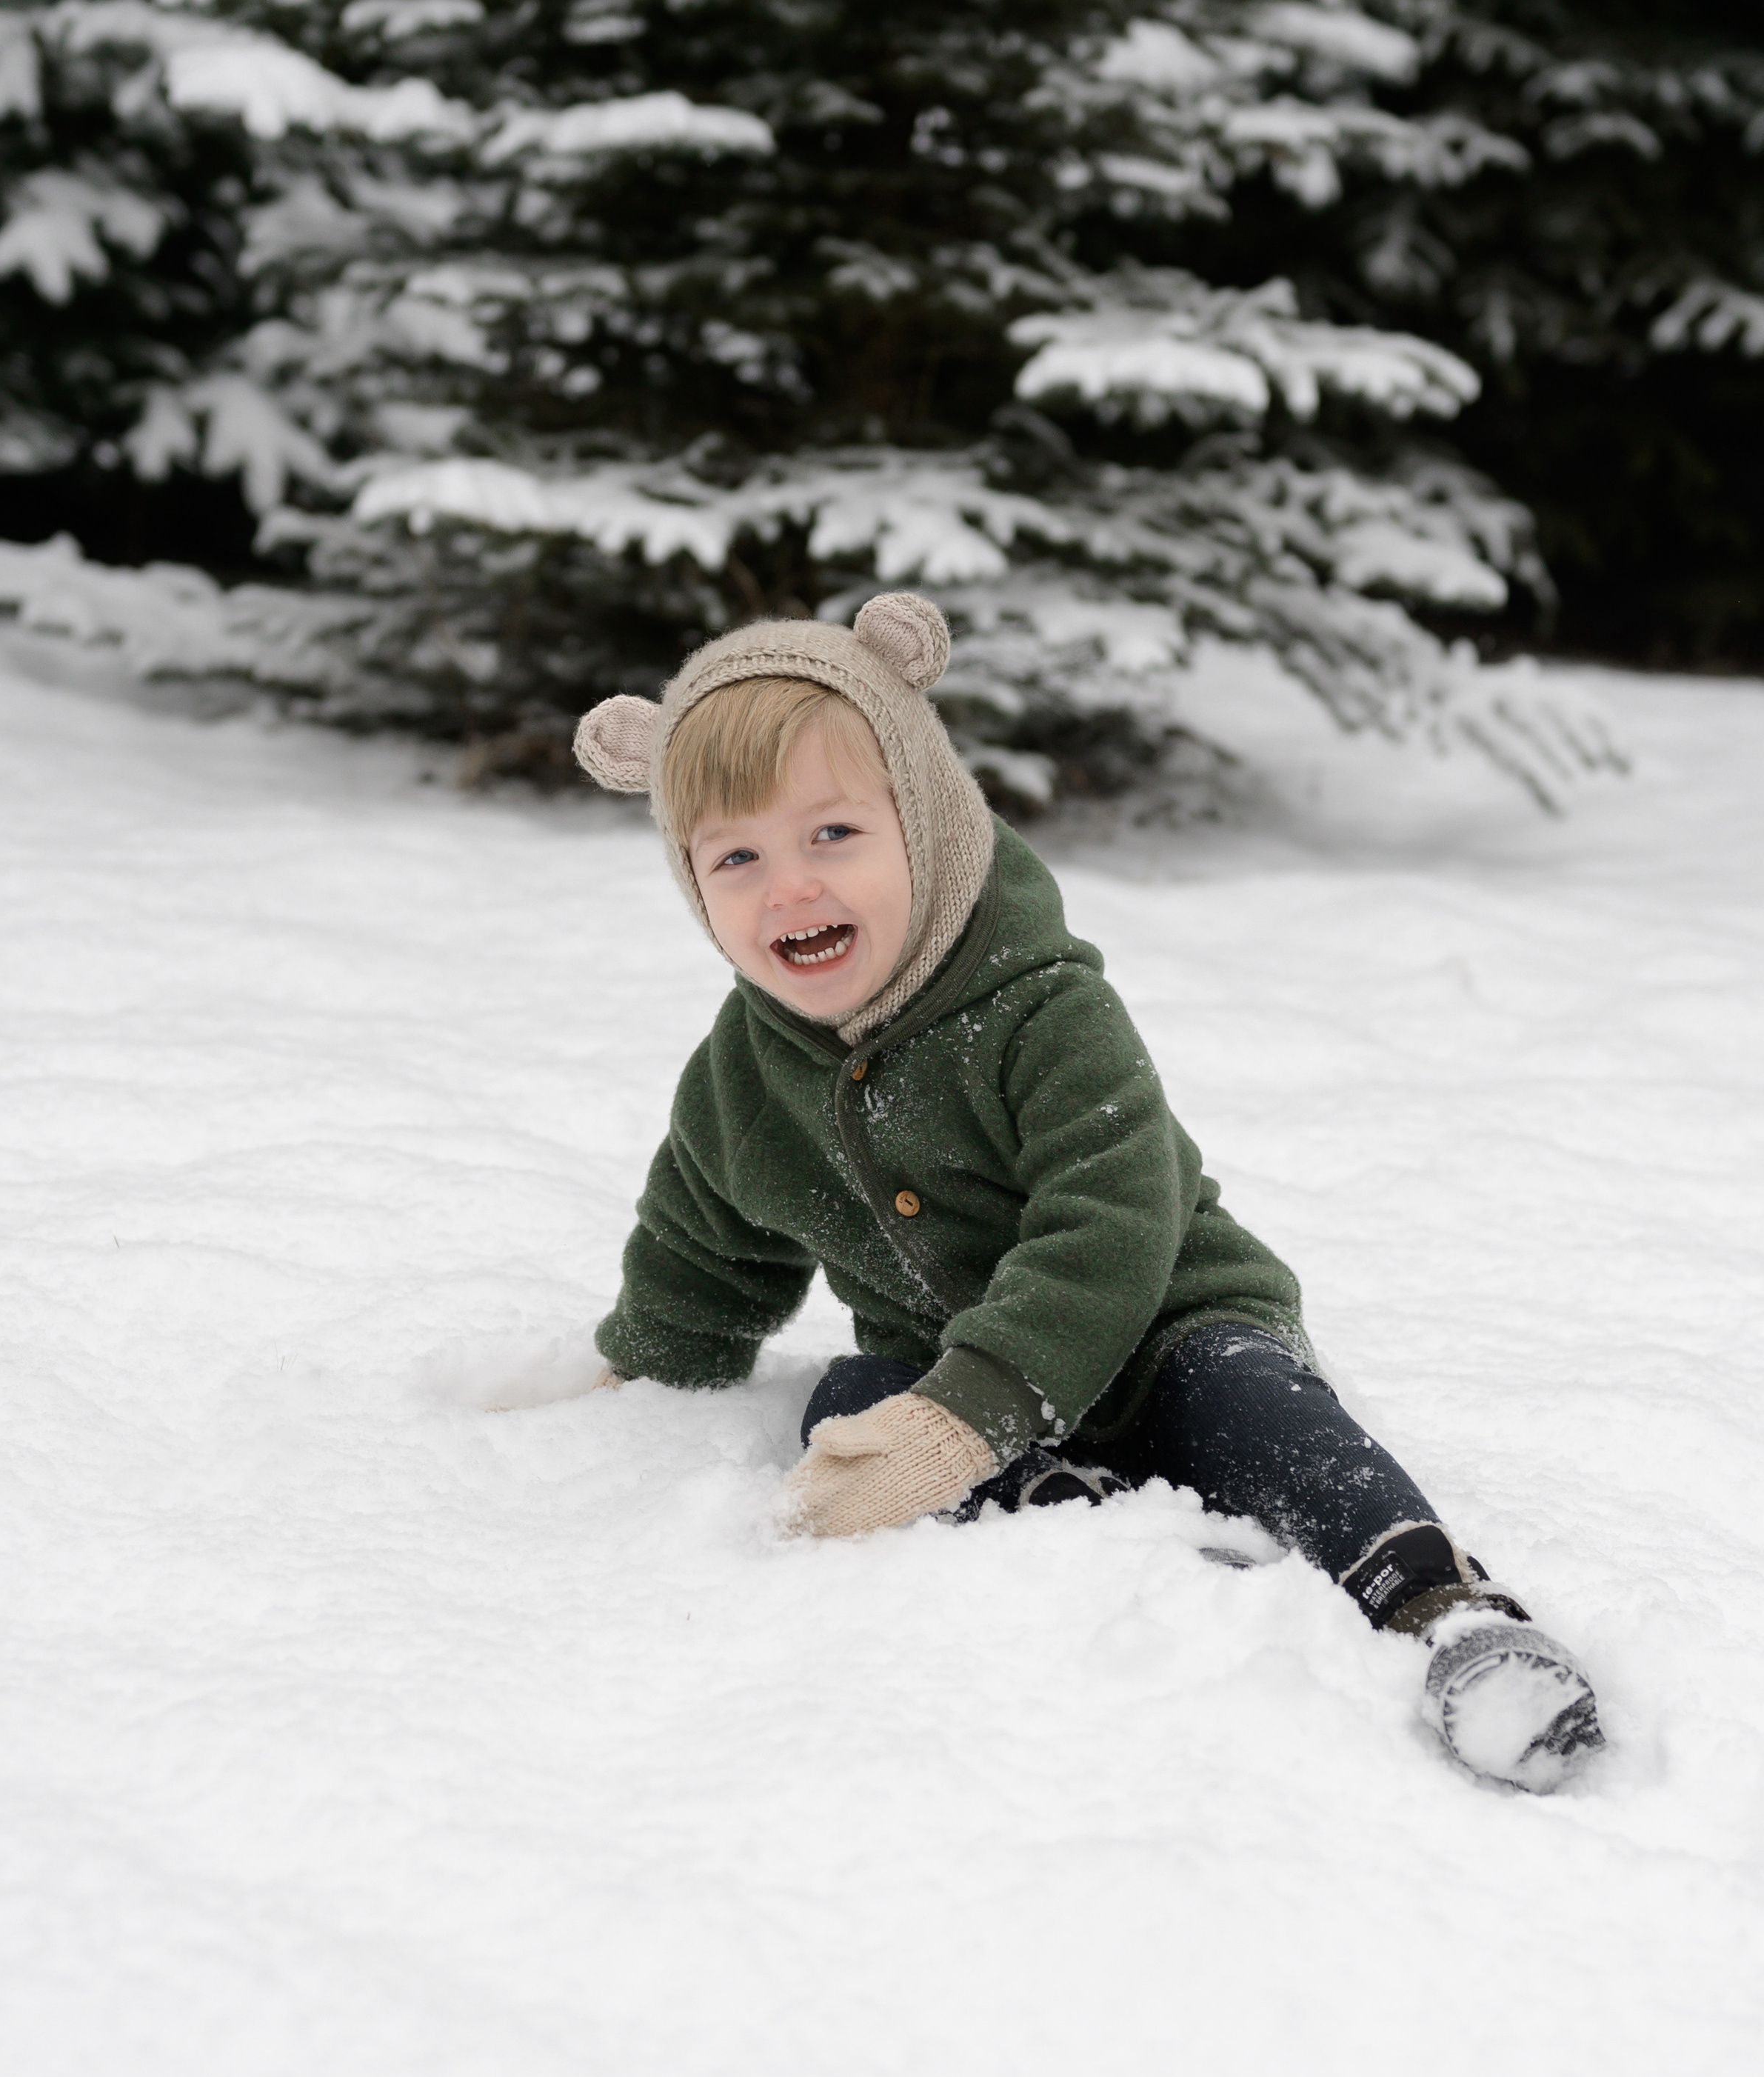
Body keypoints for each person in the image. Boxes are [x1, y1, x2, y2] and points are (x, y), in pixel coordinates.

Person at [573, 591, 1603, 1793]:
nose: (787, 890)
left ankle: (1440, 1606)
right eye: (736, 857)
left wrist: (974, 1413)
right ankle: (1084, 1512)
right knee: (848, 1398)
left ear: (929, 822)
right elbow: (704, 1239)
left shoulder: (1045, 1010)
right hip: (956, 1361)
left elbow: (1112, 1219)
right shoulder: (744, 1074)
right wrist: (644, 1369)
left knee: (1256, 1407)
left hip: (1174, 1322)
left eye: (834, 836)